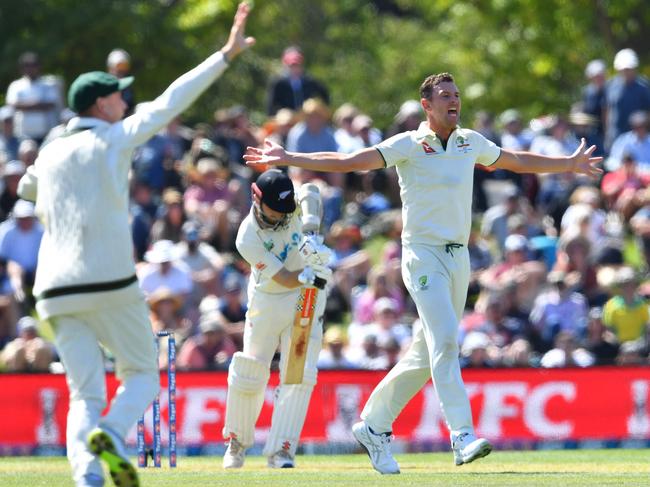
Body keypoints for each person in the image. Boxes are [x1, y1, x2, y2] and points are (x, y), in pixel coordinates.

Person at [244, 71, 603, 474]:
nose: (454, 101)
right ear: (427, 106)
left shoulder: (470, 142)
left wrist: (567, 164)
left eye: (456, 94)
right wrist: (289, 158)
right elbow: (350, 161)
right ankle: (462, 435)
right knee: (447, 342)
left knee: (423, 353)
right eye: (445, 95)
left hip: (458, 258)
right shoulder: (409, 144)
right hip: (422, 256)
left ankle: (374, 425)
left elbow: (515, 160)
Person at [16, 4, 255, 487]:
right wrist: (224, 56)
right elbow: (171, 101)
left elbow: (25, 190)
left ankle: (88, 474)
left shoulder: (50, 151)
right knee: (143, 374)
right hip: (108, 279)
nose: (125, 104)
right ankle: (111, 431)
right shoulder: (113, 137)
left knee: (83, 392)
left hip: (53, 291)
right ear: (101, 106)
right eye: (118, 98)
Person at [221, 169, 333, 470]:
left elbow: (311, 189)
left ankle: (282, 450)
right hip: (269, 299)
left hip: (305, 301)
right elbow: (283, 277)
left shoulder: (292, 205)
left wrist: (310, 230)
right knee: (250, 370)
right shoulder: (247, 236)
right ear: (257, 201)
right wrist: (308, 274)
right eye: (275, 212)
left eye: (287, 211)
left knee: (299, 373)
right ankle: (236, 443)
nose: (283, 217)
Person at [266, 46, 330, 115]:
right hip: (286, 120)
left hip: (306, 119)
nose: (294, 68)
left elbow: (325, 96)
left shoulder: (310, 81)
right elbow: (271, 106)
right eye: (291, 66)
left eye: (297, 65)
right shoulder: (278, 83)